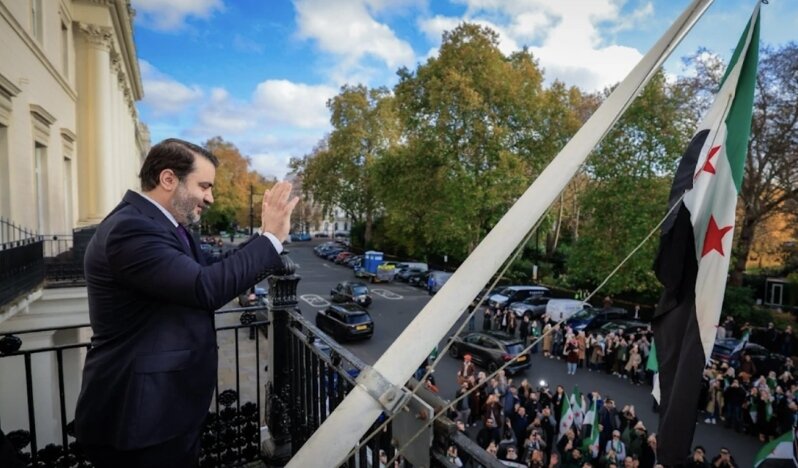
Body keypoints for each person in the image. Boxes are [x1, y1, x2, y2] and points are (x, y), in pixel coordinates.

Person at [74, 139, 298, 467]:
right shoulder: (131, 228)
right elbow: (204, 286)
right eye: (204, 186)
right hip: (139, 420)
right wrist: (271, 240)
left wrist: (264, 238)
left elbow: (207, 268)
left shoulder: (164, 225)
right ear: (168, 179)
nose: (210, 197)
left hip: (163, 412)